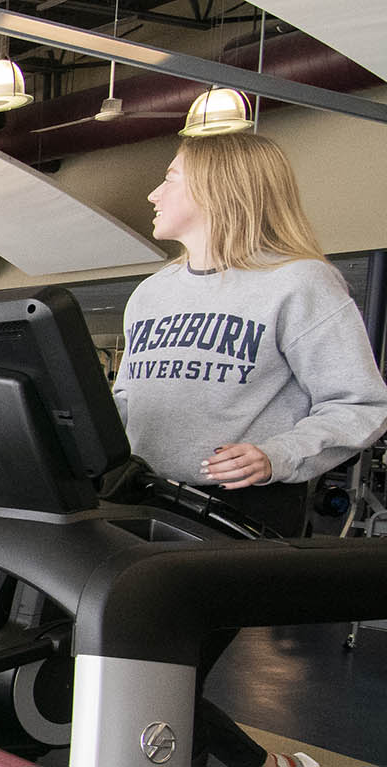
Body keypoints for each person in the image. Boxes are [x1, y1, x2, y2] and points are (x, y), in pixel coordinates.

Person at [114, 133, 387, 767]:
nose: (154, 193)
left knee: (158, 672)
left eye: (170, 178)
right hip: (145, 502)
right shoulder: (151, 293)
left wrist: (279, 453)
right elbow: (127, 403)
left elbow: (361, 404)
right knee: (124, 668)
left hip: (237, 509)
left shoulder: (300, 283)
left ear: (217, 190)